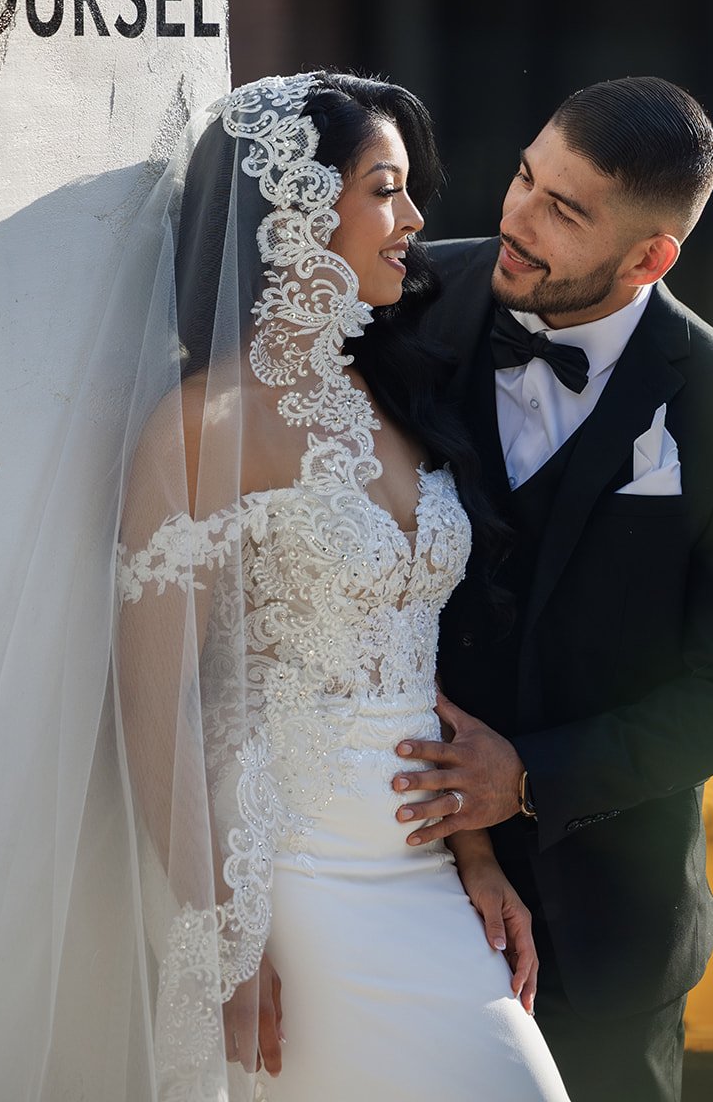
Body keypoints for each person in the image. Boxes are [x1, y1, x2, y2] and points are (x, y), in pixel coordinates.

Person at [108, 73, 571, 1099]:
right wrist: (224, 937)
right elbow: (155, 702)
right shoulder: (201, 426)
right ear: (299, 204)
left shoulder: (394, 385)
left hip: (425, 870)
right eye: (384, 188)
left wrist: (478, 858)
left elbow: (418, 666)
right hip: (296, 879)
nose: (412, 221)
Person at [391, 76, 713, 1102]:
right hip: (387, 882)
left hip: (605, 945)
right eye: (526, 177)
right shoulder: (400, 304)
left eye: (561, 211)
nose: (514, 219)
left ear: (650, 257)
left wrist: (525, 776)